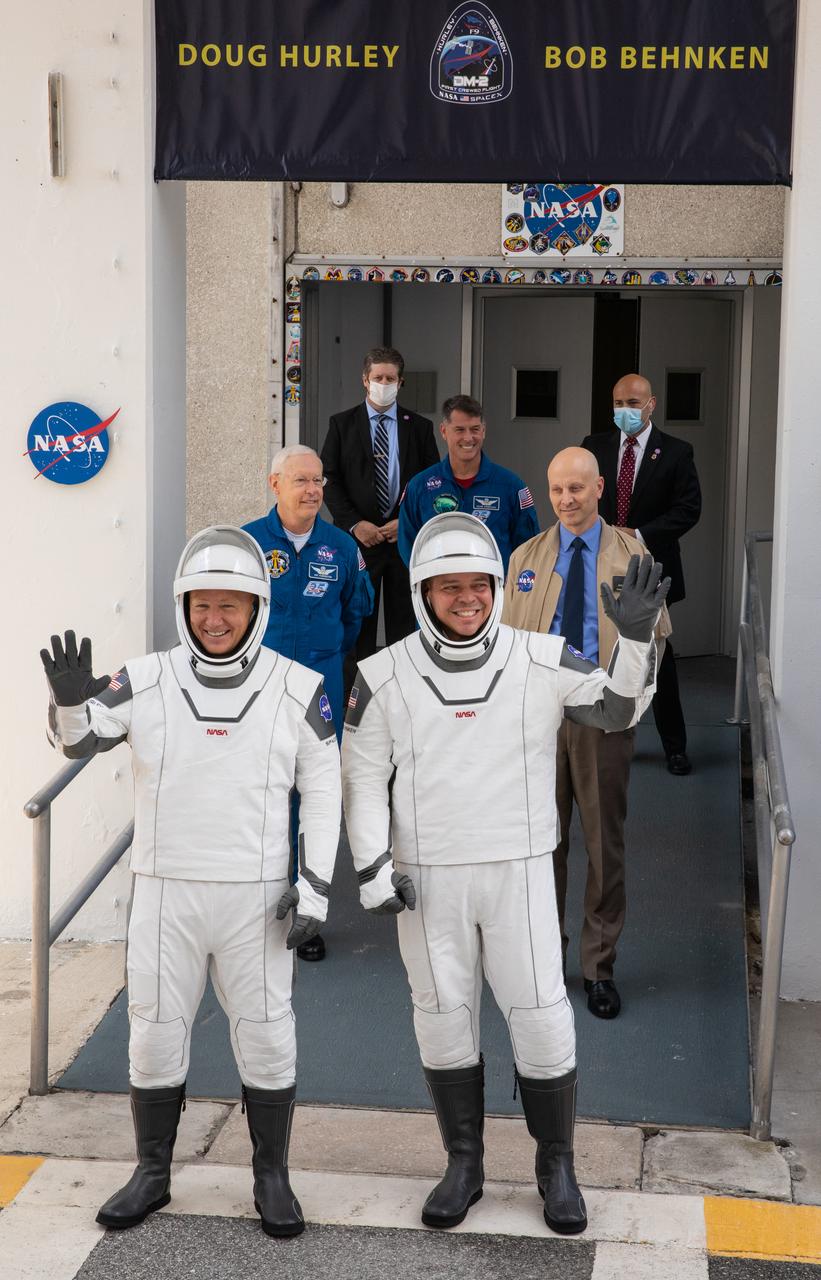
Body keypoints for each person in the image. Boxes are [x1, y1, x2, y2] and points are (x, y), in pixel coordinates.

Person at [342, 512, 668, 1237]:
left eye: (478, 585)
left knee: (542, 1017)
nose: (466, 599)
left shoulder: (542, 655)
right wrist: (370, 866)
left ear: (496, 586)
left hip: (518, 872)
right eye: (447, 587)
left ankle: (556, 1164)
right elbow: (362, 780)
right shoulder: (382, 673)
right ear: (422, 591)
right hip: (426, 882)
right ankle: (463, 1163)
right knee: (441, 1018)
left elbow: (614, 711)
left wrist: (636, 641)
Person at [41, 526, 341, 1238]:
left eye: (229, 606)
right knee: (151, 1035)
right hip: (165, 889)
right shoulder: (142, 679)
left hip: (256, 896)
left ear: (256, 609)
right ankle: (152, 1172)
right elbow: (79, 742)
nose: (214, 619)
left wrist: (318, 886)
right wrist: (69, 703)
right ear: (183, 606)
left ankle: (271, 1177)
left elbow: (324, 786)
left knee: (267, 1035)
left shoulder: (297, 688)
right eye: (202, 605)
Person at [503, 448, 671, 1020]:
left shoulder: (632, 551)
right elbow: (504, 647)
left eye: (577, 488)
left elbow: (655, 642)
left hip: (603, 717)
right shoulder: (526, 556)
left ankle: (599, 968)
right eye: (556, 490)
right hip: (539, 722)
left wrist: (631, 704)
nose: (566, 500)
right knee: (540, 846)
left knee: (604, 846)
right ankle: (546, 961)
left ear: (600, 487)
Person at [243, 444, 374, 961]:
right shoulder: (248, 543)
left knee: (314, 801)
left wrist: (322, 654)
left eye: (319, 480)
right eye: (301, 481)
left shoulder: (341, 547)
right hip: (261, 690)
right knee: (265, 799)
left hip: (320, 691)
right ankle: (259, 905)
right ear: (274, 484)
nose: (313, 490)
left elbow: (355, 613)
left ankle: (308, 912)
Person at [582, 373, 701, 775]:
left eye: (633, 404)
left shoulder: (676, 452)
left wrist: (639, 534)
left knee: (657, 657)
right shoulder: (593, 447)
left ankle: (675, 747)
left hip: (651, 566)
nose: (624, 411)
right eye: (618, 403)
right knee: (600, 652)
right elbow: (578, 495)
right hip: (599, 564)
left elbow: (688, 509)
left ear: (651, 405)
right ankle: (599, 740)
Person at [321, 346, 439, 667]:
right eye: (377, 377)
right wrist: (354, 523)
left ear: (400, 383)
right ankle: (355, 697)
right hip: (358, 542)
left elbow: (433, 483)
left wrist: (407, 520)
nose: (383, 383)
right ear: (365, 380)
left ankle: (402, 691)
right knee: (358, 621)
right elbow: (328, 479)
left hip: (402, 540)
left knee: (405, 626)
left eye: (390, 378)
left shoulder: (419, 427)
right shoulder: (342, 425)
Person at [398, 394, 540, 574]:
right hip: (441, 594)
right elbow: (408, 545)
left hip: (494, 595)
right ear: (443, 431)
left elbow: (528, 548)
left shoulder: (511, 486)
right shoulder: (420, 487)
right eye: (459, 430)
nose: (468, 438)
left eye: (475, 429)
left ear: (484, 431)